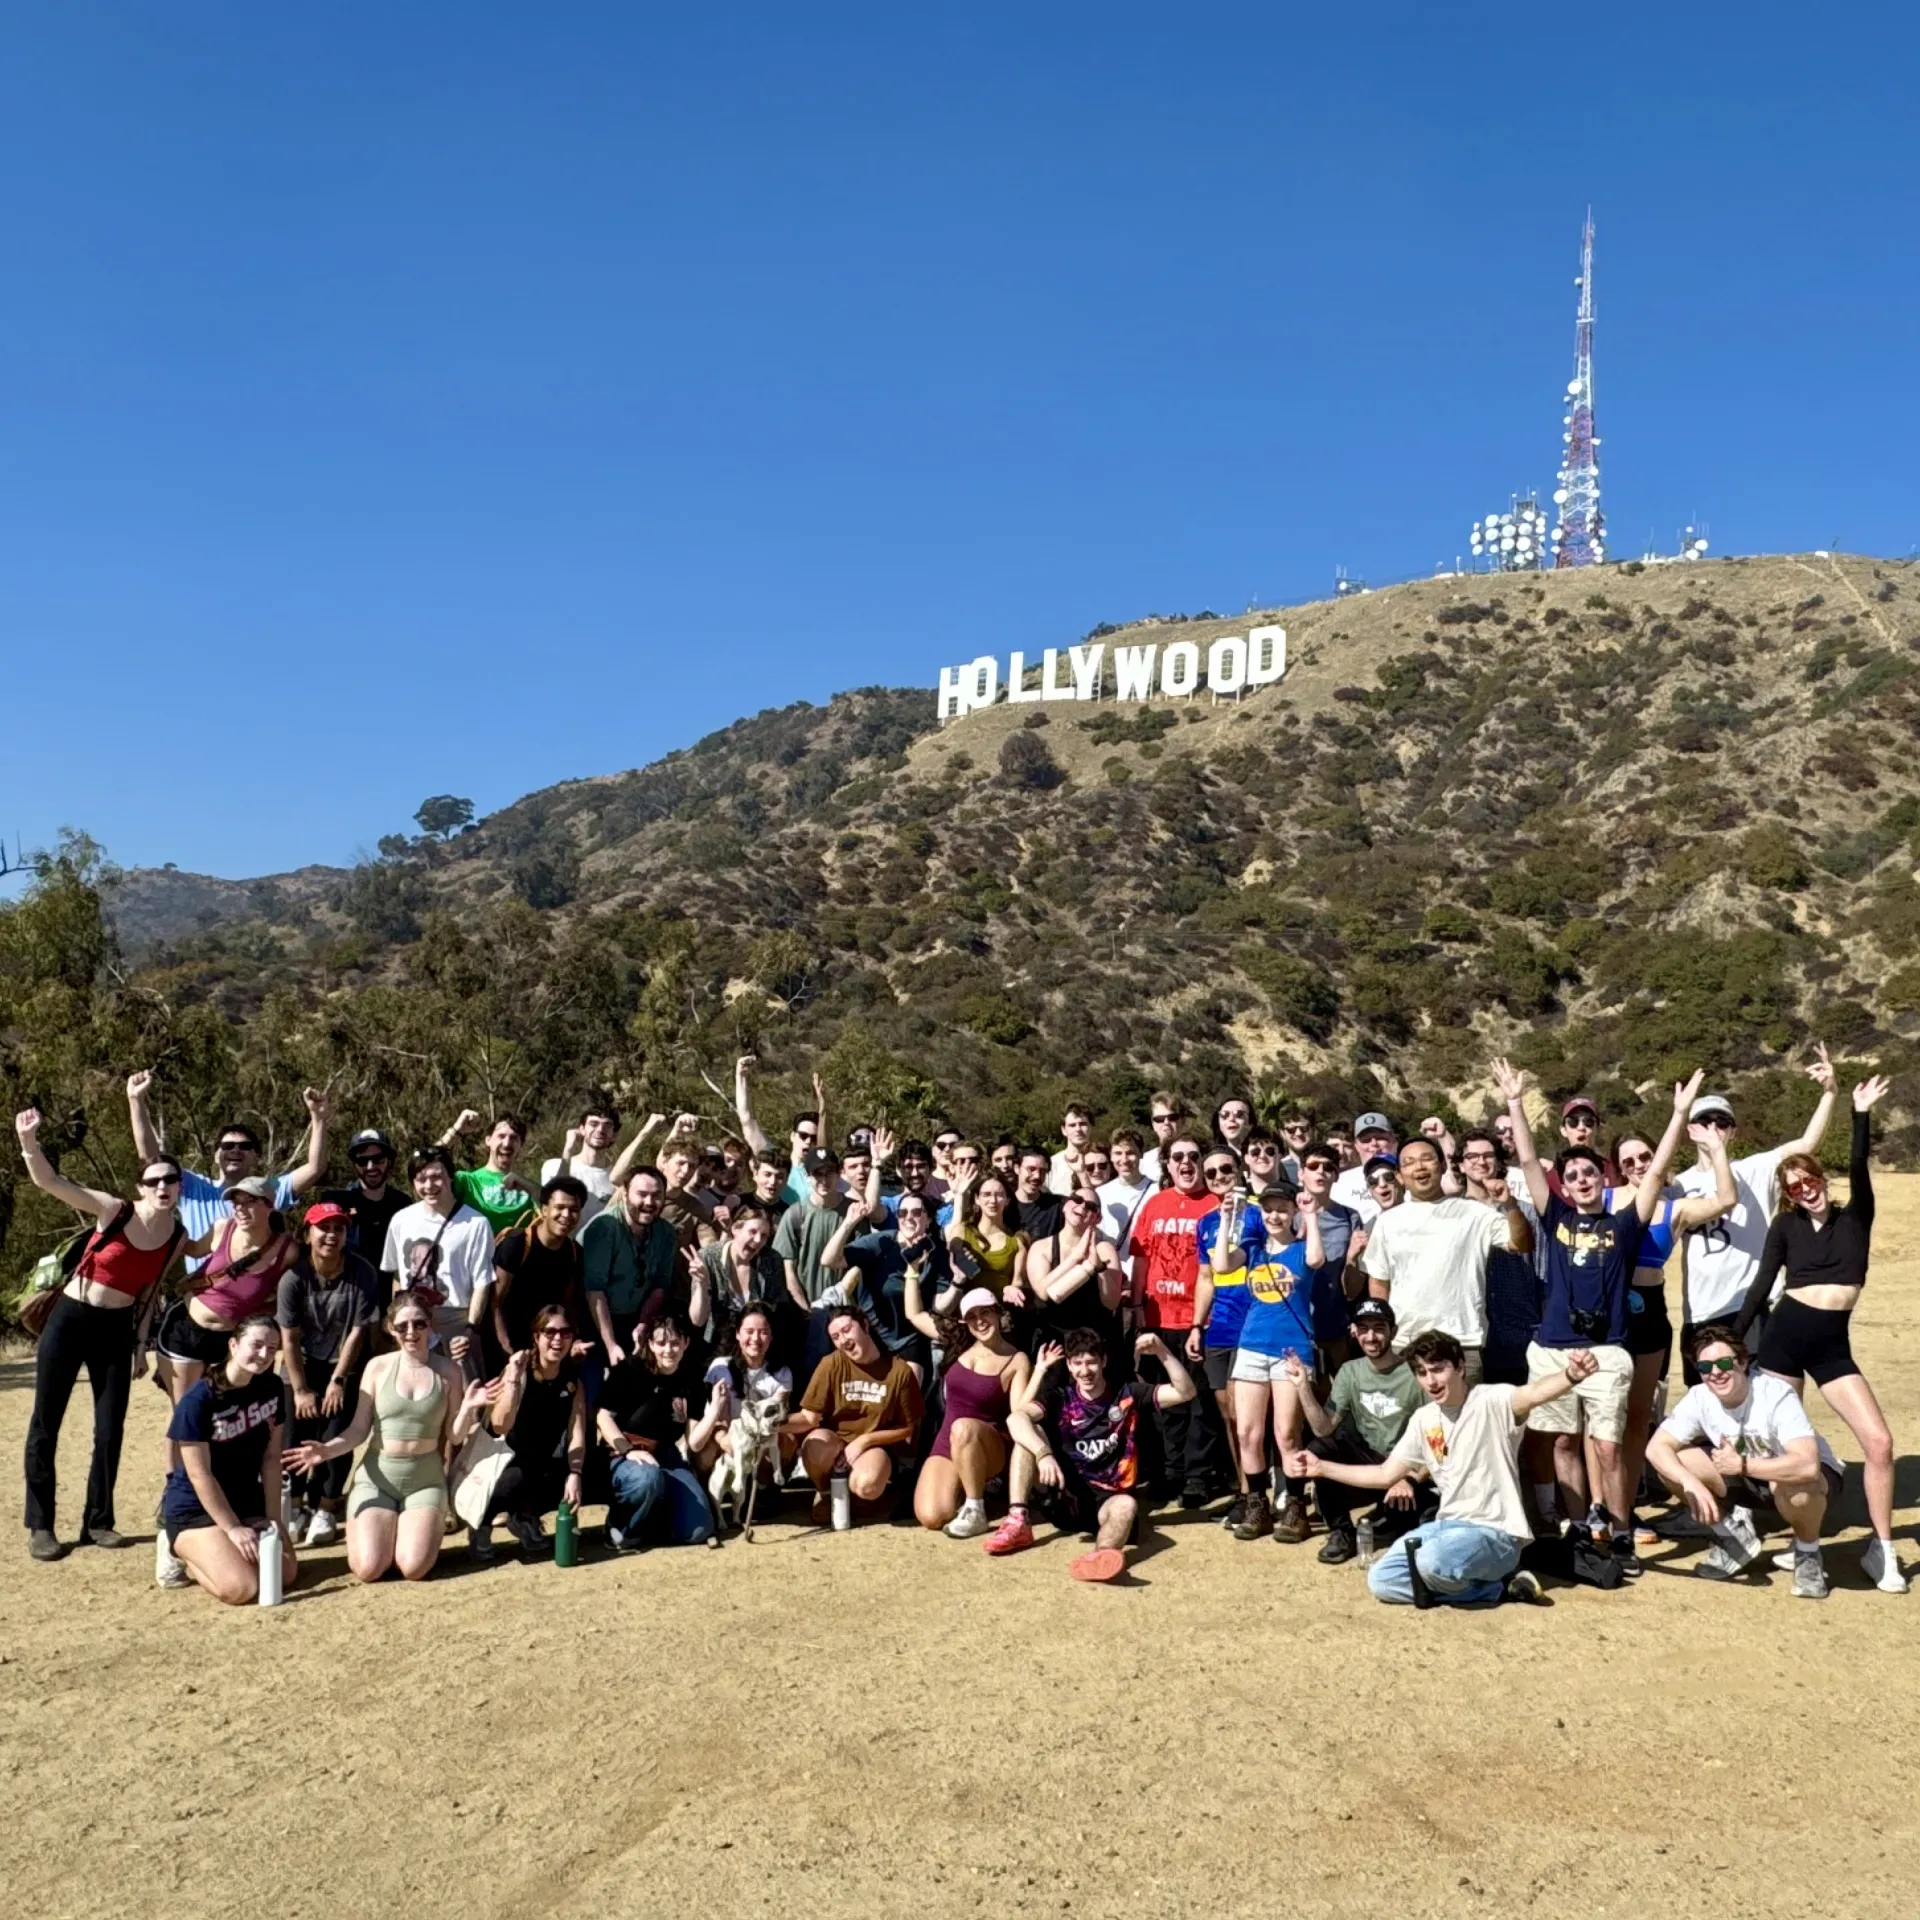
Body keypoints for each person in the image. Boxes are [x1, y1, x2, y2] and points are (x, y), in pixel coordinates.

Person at [1495, 1059, 1698, 1568]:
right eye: (1572, 1175)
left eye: (1589, 1172)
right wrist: (1515, 1102)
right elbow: (1527, 1161)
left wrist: (1678, 1115)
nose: (1581, 1179)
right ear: (1563, 1185)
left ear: (1602, 1178)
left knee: (1606, 1446)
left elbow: (1655, 1174)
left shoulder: (1624, 1225)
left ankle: (1620, 1528)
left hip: (1606, 1351)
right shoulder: (1556, 1216)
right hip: (1553, 1349)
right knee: (1563, 1440)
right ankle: (1584, 1527)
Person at [1733, 1073, 1904, 1593]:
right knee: (1778, 1446)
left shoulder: (1856, 1218)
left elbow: (1859, 1163)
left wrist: (1859, 1113)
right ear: (1787, 1196)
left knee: (1879, 1443)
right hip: (1784, 1339)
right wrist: (1734, 1341)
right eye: (1793, 1187)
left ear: (1821, 1179)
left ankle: (1883, 1550)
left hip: (1832, 1347)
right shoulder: (1785, 1228)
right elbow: (1762, 1283)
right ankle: (1795, 1538)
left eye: (1809, 1180)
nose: (1804, 1190)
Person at [1288, 1330, 1600, 1609]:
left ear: (1460, 1367)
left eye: (1438, 1369)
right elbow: (1384, 1474)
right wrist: (1321, 1468)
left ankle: (1488, 1580)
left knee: (1430, 1561)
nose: (1431, 1381)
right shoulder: (1424, 1419)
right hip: (1445, 1527)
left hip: (1496, 1534)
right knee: (1381, 1580)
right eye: (1422, 1373)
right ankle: (1494, 1588)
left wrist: (1571, 1375)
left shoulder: (1492, 1401)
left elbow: (1533, 1393)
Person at [15, 1108, 187, 1560]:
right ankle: (41, 1526)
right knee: (46, 1423)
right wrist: (29, 1141)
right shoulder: (115, 1210)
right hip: (71, 1319)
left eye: (170, 1180)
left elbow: (150, 1292)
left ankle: (98, 1522)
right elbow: (50, 1182)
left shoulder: (176, 1235)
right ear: (140, 1187)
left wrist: (140, 1346)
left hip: (116, 1329)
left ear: (179, 1186)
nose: (162, 1187)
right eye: (153, 1181)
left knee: (110, 1428)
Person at [283, 1291, 487, 1582]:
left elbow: (454, 1437)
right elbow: (358, 1430)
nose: (411, 1332)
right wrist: (326, 1451)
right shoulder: (377, 1367)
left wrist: (467, 1408)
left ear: (430, 1325)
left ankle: (404, 1531)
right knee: (368, 1569)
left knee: (414, 1568)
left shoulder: (448, 1371)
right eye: (402, 1326)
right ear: (391, 1329)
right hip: (377, 1478)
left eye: (419, 1323)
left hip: (425, 1480)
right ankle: (387, 1530)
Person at [1672, 1046, 1839, 1381]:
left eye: (1722, 1122)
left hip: (1749, 1306)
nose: (1713, 1128)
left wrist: (1830, 1093)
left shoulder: (1756, 1169)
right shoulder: (1679, 1185)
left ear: (1733, 1132)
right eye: (1704, 1121)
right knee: (1704, 1398)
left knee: (1758, 1392)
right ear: (1691, 1131)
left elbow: (1807, 1143)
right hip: (1698, 1312)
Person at [1606, 1124, 1737, 1542]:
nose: (1638, 1165)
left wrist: (1716, 1150)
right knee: (1604, 1419)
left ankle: (1626, 1510)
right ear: (1618, 1168)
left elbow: (1726, 1200)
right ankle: (1601, 1510)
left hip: (1650, 1313)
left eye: (1645, 1156)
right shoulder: (1605, 1200)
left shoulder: (1675, 1208)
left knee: (1638, 1417)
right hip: (1609, 1314)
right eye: (1628, 1161)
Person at [1646, 1324, 1845, 1598]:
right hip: (1746, 1476)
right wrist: (1690, 1483)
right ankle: (1732, 1538)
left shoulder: (1775, 1394)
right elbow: (1656, 1448)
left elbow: (1808, 1465)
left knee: (1799, 1485)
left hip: (1801, 1480)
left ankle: (1807, 1553)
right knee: (1675, 1463)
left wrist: (1742, 1466)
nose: (1716, 1373)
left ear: (1742, 1362)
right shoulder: (1700, 1397)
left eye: (1724, 1363)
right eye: (1705, 1367)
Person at [1021, 1329, 1197, 1582]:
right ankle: (1017, 1516)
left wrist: (1162, 1351)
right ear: (1069, 1365)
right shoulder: (1060, 1398)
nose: (1085, 1370)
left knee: (1127, 1505)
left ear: (1103, 1361)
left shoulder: (1127, 1394)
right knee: (1027, 1433)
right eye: (1078, 1363)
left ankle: (1101, 1557)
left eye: (1091, 1362)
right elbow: (1017, 1417)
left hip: (1109, 1500)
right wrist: (1043, 1455)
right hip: (1065, 1497)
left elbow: (1185, 1392)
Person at [1361, 1133, 1533, 1387]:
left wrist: (1510, 1206)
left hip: (1462, 1344)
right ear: (1399, 1175)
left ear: (1443, 1166)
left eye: (1427, 1159)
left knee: (1464, 1414)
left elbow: (1521, 1244)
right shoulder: (1387, 1222)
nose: (1419, 1167)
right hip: (1403, 1345)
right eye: (1409, 1162)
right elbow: (1379, 1283)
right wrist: (1383, 1333)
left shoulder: (1475, 1213)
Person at [153, 1177, 298, 1469]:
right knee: (185, 1411)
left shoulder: (287, 1250)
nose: (240, 1209)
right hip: (185, 1330)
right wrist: (158, 1221)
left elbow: (287, 1295)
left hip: (230, 1341)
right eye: (236, 1202)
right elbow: (191, 1249)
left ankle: (221, 1477)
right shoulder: (223, 1228)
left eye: (249, 1202)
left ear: (269, 1205)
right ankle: (176, 1483)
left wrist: (258, 1310)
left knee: (227, 1409)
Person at [158, 1316, 299, 1604]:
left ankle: (223, 1548)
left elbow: (272, 1458)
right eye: (256, 1345)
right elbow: (199, 1474)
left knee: (282, 1574)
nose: (264, 1355)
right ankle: (175, 1546)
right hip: (196, 1505)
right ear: (233, 1345)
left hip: (244, 1497)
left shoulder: (272, 1387)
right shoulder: (199, 1400)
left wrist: (274, 1519)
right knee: (241, 1588)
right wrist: (232, 1528)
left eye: (272, 1348)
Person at [126, 1070, 329, 1262]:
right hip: (201, 1286)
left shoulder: (269, 1191)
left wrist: (318, 1119)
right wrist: (136, 1100)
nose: (235, 1150)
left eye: (244, 1146)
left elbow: (314, 1168)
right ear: (216, 1156)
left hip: (253, 1286)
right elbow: (152, 1160)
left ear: (256, 1157)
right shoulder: (193, 1187)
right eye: (227, 1146)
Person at [1218, 1184, 1326, 1543]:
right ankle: (1257, 1505)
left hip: (1291, 1350)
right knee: (1247, 1432)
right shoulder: (1252, 1248)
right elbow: (1221, 1265)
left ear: (1292, 1212)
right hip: (1251, 1345)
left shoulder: (1300, 1250)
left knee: (1287, 1434)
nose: (1274, 1216)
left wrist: (1310, 1214)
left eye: (1282, 1209)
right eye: (1268, 1209)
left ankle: (1295, 1506)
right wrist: (1226, 1218)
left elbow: (1316, 1260)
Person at [1291, 1298, 1432, 1563]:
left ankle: (1392, 1519)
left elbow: (1437, 1443)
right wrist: (1302, 1387)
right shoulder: (1350, 1371)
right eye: (1363, 1329)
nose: (1371, 1337)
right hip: (1368, 1463)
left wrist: (1411, 1478)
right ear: (1354, 1333)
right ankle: (1342, 1532)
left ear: (1393, 1331)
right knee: (1320, 1449)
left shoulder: (1415, 1374)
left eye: (1379, 1328)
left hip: (1406, 1469)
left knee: (1419, 1530)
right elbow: (1323, 1428)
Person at [1128, 1134, 1226, 1505]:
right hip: (1158, 1317)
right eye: (1178, 1157)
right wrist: (1137, 1306)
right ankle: (1170, 1472)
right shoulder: (1155, 1204)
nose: (1186, 1163)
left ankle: (1198, 1476)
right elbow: (1141, 1259)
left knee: (1200, 1401)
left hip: (1200, 1319)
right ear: (1167, 1164)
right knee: (1166, 1402)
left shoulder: (1216, 1203)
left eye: (1193, 1156)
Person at [277, 1199, 381, 1546]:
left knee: (336, 1437)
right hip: (301, 1364)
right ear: (308, 1233)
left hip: (343, 1364)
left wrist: (339, 1379)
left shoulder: (362, 1272)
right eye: (323, 1228)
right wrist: (300, 1389)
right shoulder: (293, 1279)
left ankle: (325, 1505)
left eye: (339, 1228)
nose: (331, 1235)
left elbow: (358, 1330)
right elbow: (289, 1338)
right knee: (294, 1437)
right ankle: (294, 1504)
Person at [907, 1287, 1038, 1547]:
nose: (980, 1321)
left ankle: (975, 1508)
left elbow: (1019, 1412)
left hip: (987, 1444)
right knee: (932, 1516)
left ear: (998, 1313)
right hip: (949, 1440)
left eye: (985, 1312)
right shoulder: (958, 1340)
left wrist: (1040, 1371)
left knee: (964, 1427)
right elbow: (914, 1315)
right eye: (972, 1316)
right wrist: (912, 1271)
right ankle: (965, 1491)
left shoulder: (1016, 1359)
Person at [788, 1304, 925, 1524]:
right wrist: (773, 1423)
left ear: (865, 1326)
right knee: (814, 1445)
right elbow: (808, 1417)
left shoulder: (899, 1371)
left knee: (867, 1485)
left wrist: (865, 1441)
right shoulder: (831, 1364)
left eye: (846, 1330)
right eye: (835, 1337)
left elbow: (907, 1428)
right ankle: (825, 1493)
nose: (843, 1340)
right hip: (835, 1442)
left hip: (875, 1446)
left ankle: (857, 1498)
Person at [471, 1304, 588, 1560]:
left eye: (565, 1332)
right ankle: (482, 1522)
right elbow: (499, 1426)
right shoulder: (519, 1371)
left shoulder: (573, 1381)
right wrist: (513, 1378)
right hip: (501, 1464)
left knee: (585, 1471)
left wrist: (575, 1473)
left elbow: (577, 1435)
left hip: (541, 1462)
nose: (557, 1339)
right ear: (536, 1336)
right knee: (517, 1478)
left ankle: (525, 1516)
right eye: (550, 1332)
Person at [596, 1314, 721, 1550]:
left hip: (664, 1453)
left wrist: (714, 1411)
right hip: (622, 1452)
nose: (668, 1350)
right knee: (648, 1478)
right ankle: (623, 1527)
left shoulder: (692, 1377)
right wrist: (627, 1450)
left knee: (698, 1530)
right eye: (661, 1343)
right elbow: (603, 1416)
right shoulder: (630, 1370)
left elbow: (694, 1442)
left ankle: (654, 1520)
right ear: (651, 1344)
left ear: (686, 1343)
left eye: (675, 1343)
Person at [379, 1146, 496, 1374]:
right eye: (421, 1179)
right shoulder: (401, 1220)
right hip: (413, 1323)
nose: (429, 1186)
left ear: (450, 1176)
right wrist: (398, 1321)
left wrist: (471, 1329)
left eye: (436, 1177)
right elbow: (397, 1275)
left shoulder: (475, 1224)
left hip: (455, 1321)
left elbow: (482, 1283)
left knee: (463, 1389)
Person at [832, 1191, 951, 1379]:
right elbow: (830, 1260)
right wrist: (848, 1223)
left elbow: (939, 1306)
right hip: (871, 1332)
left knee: (910, 1381)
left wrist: (958, 1282)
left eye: (916, 1212)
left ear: (928, 1219)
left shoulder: (938, 1253)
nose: (908, 1218)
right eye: (902, 1213)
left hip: (910, 1337)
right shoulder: (882, 1242)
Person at [486, 1177, 589, 1375]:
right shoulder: (517, 1245)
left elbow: (568, 1303)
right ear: (544, 1210)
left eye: (574, 1210)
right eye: (559, 1207)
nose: (566, 1215)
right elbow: (495, 1301)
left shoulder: (574, 1252)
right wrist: (506, 1349)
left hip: (547, 1347)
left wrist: (573, 1339)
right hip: (506, 1345)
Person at [582, 1165, 681, 1367]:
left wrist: (643, 1323)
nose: (649, 1202)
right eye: (642, 1194)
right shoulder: (605, 1227)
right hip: (593, 1321)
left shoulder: (666, 1233)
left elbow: (660, 1285)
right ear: (625, 1194)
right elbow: (594, 1290)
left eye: (656, 1196)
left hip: (637, 1320)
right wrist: (611, 1345)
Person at [1025, 1186, 1127, 1368]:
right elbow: (1042, 1292)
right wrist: (1075, 1257)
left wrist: (1099, 1268)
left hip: (1092, 1344)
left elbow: (1112, 1302)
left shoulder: (1104, 1249)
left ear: (1097, 1218)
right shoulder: (1041, 1247)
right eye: (1077, 1200)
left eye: (1091, 1206)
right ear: (1065, 1205)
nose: (1083, 1207)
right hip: (1053, 1343)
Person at [776, 1146, 855, 1375]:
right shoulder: (795, 1214)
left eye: (829, 1173)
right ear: (808, 1176)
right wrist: (805, 1309)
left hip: (844, 1311)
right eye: (817, 1174)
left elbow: (860, 1264)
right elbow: (788, 1269)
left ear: (838, 1174)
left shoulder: (852, 1212)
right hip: (804, 1312)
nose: (824, 1180)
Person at [704, 1303, 798, 1486]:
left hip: (760, 1435)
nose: (755, 1338)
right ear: (738, 1334)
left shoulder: (782, 1373)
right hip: (727, 1433)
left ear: (771, 1336)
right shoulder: (720, 1367)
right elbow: (711, 1413)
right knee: (705, 1449)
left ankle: (764, 1486)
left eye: (763, 1332)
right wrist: (723, 1438)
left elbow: (776, 1416)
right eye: (749, 1331)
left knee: (787, 1442)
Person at [318, 1129, 411, 1287]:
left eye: (378, 1159)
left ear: (389, 1161)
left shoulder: (402, 1205)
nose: (370, 1167)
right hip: (342, 1296)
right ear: (354, 1164)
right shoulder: (336, 1203)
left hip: (386, 1299)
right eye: (362, 1161)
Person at [439, 1109, 537, 1233]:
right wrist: (456, 1130)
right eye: (501, 1136)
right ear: (488, 1140)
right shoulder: (467, 1182)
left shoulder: (528, 1190)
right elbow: (427, 1168)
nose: (507, 1143)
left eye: (513, 1138)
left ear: (520, 1145)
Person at [943, 1166, 1028, 1305]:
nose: (993, 1200)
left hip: (999, 1309)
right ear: (977, 1199)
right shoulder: (962, 1231)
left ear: (1007, 1200)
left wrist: (1011, 1289)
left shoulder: (1017, 1242)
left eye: (999, 1195)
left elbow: (1017, 1282)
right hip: (963, 1307)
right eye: (986, 1194)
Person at [539, 1096, 624, 1230]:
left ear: (614, 1135)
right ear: (582, 1129)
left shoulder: (617, 1177)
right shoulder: (553, 1166)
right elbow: (556, 1195)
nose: (600, 1130)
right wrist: (568, 1148)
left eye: (607, 1125)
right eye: (593, 1124)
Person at [1096, 1128, 1154, 1248]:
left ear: (1141, 1154)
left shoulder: (1157, 1191)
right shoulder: (1101, 1194)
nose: (1124, 1160)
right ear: (1111, 1156)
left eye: (1130, 1153)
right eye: (1118, 1153)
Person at [1331, 1112, 1398, 1213]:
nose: (1374, 1143)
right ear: (1356, 1145)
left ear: (1393, 1139)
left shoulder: (1409, 1175)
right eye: (1366, 1140)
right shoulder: (1340, 1183)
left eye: (1380, 1137)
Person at [1010, 1147, 1064, 1239]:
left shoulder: (1057, 1206)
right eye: (1031, 1169)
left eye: (1042, 1171)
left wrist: (1081, 1173)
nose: (1037, 1176)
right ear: (1017, 1168)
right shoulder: (1004, 1207)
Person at [1140, 1092, 1188, 1184]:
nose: (1166, 1123)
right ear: (1153, 1124)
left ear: (1182, 1121)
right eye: (1159, 1119)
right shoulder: (1144, 1163)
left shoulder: (1195, 1158)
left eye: (1172, 1117)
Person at [1047, 1103, 1094, 1196]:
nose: (1078, 1129)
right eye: (1072, 1125)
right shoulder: (1051, 1165)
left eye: (1083, 1124)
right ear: (1064, 1130)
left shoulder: (1102, 1164)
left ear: (1091, 1127)